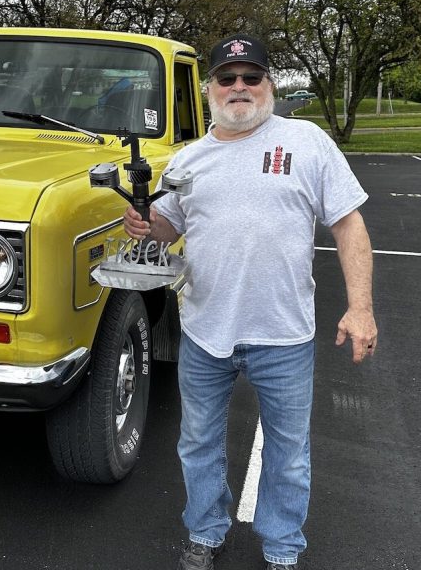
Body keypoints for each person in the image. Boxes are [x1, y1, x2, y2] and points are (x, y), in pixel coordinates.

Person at [123, 34, 378, 570]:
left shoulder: (306, 143)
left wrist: (361, 308)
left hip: (283, 335)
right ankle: (205, 531)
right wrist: (147, 226)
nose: (239, 87)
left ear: (270, 84)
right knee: (197, 444)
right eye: (227, 78)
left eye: (251, 76)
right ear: (209, 88)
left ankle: (284, 548)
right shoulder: (188, 159)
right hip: (205, 331)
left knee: (288, 455)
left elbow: (349, 223)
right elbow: (167, 229)